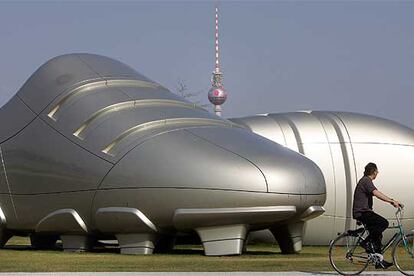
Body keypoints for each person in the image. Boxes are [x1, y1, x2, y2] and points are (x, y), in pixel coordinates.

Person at [352, 162, 401, 269]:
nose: (377, 173)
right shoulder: (366, 180)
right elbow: (376, 193)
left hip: (364, 212)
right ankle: (365, 242)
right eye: (377, 171)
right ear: (373, 171)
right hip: (362, 212)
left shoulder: (365, 180)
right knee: (383, 223)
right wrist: (391, 201)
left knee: (377, 235)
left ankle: (379, 261)